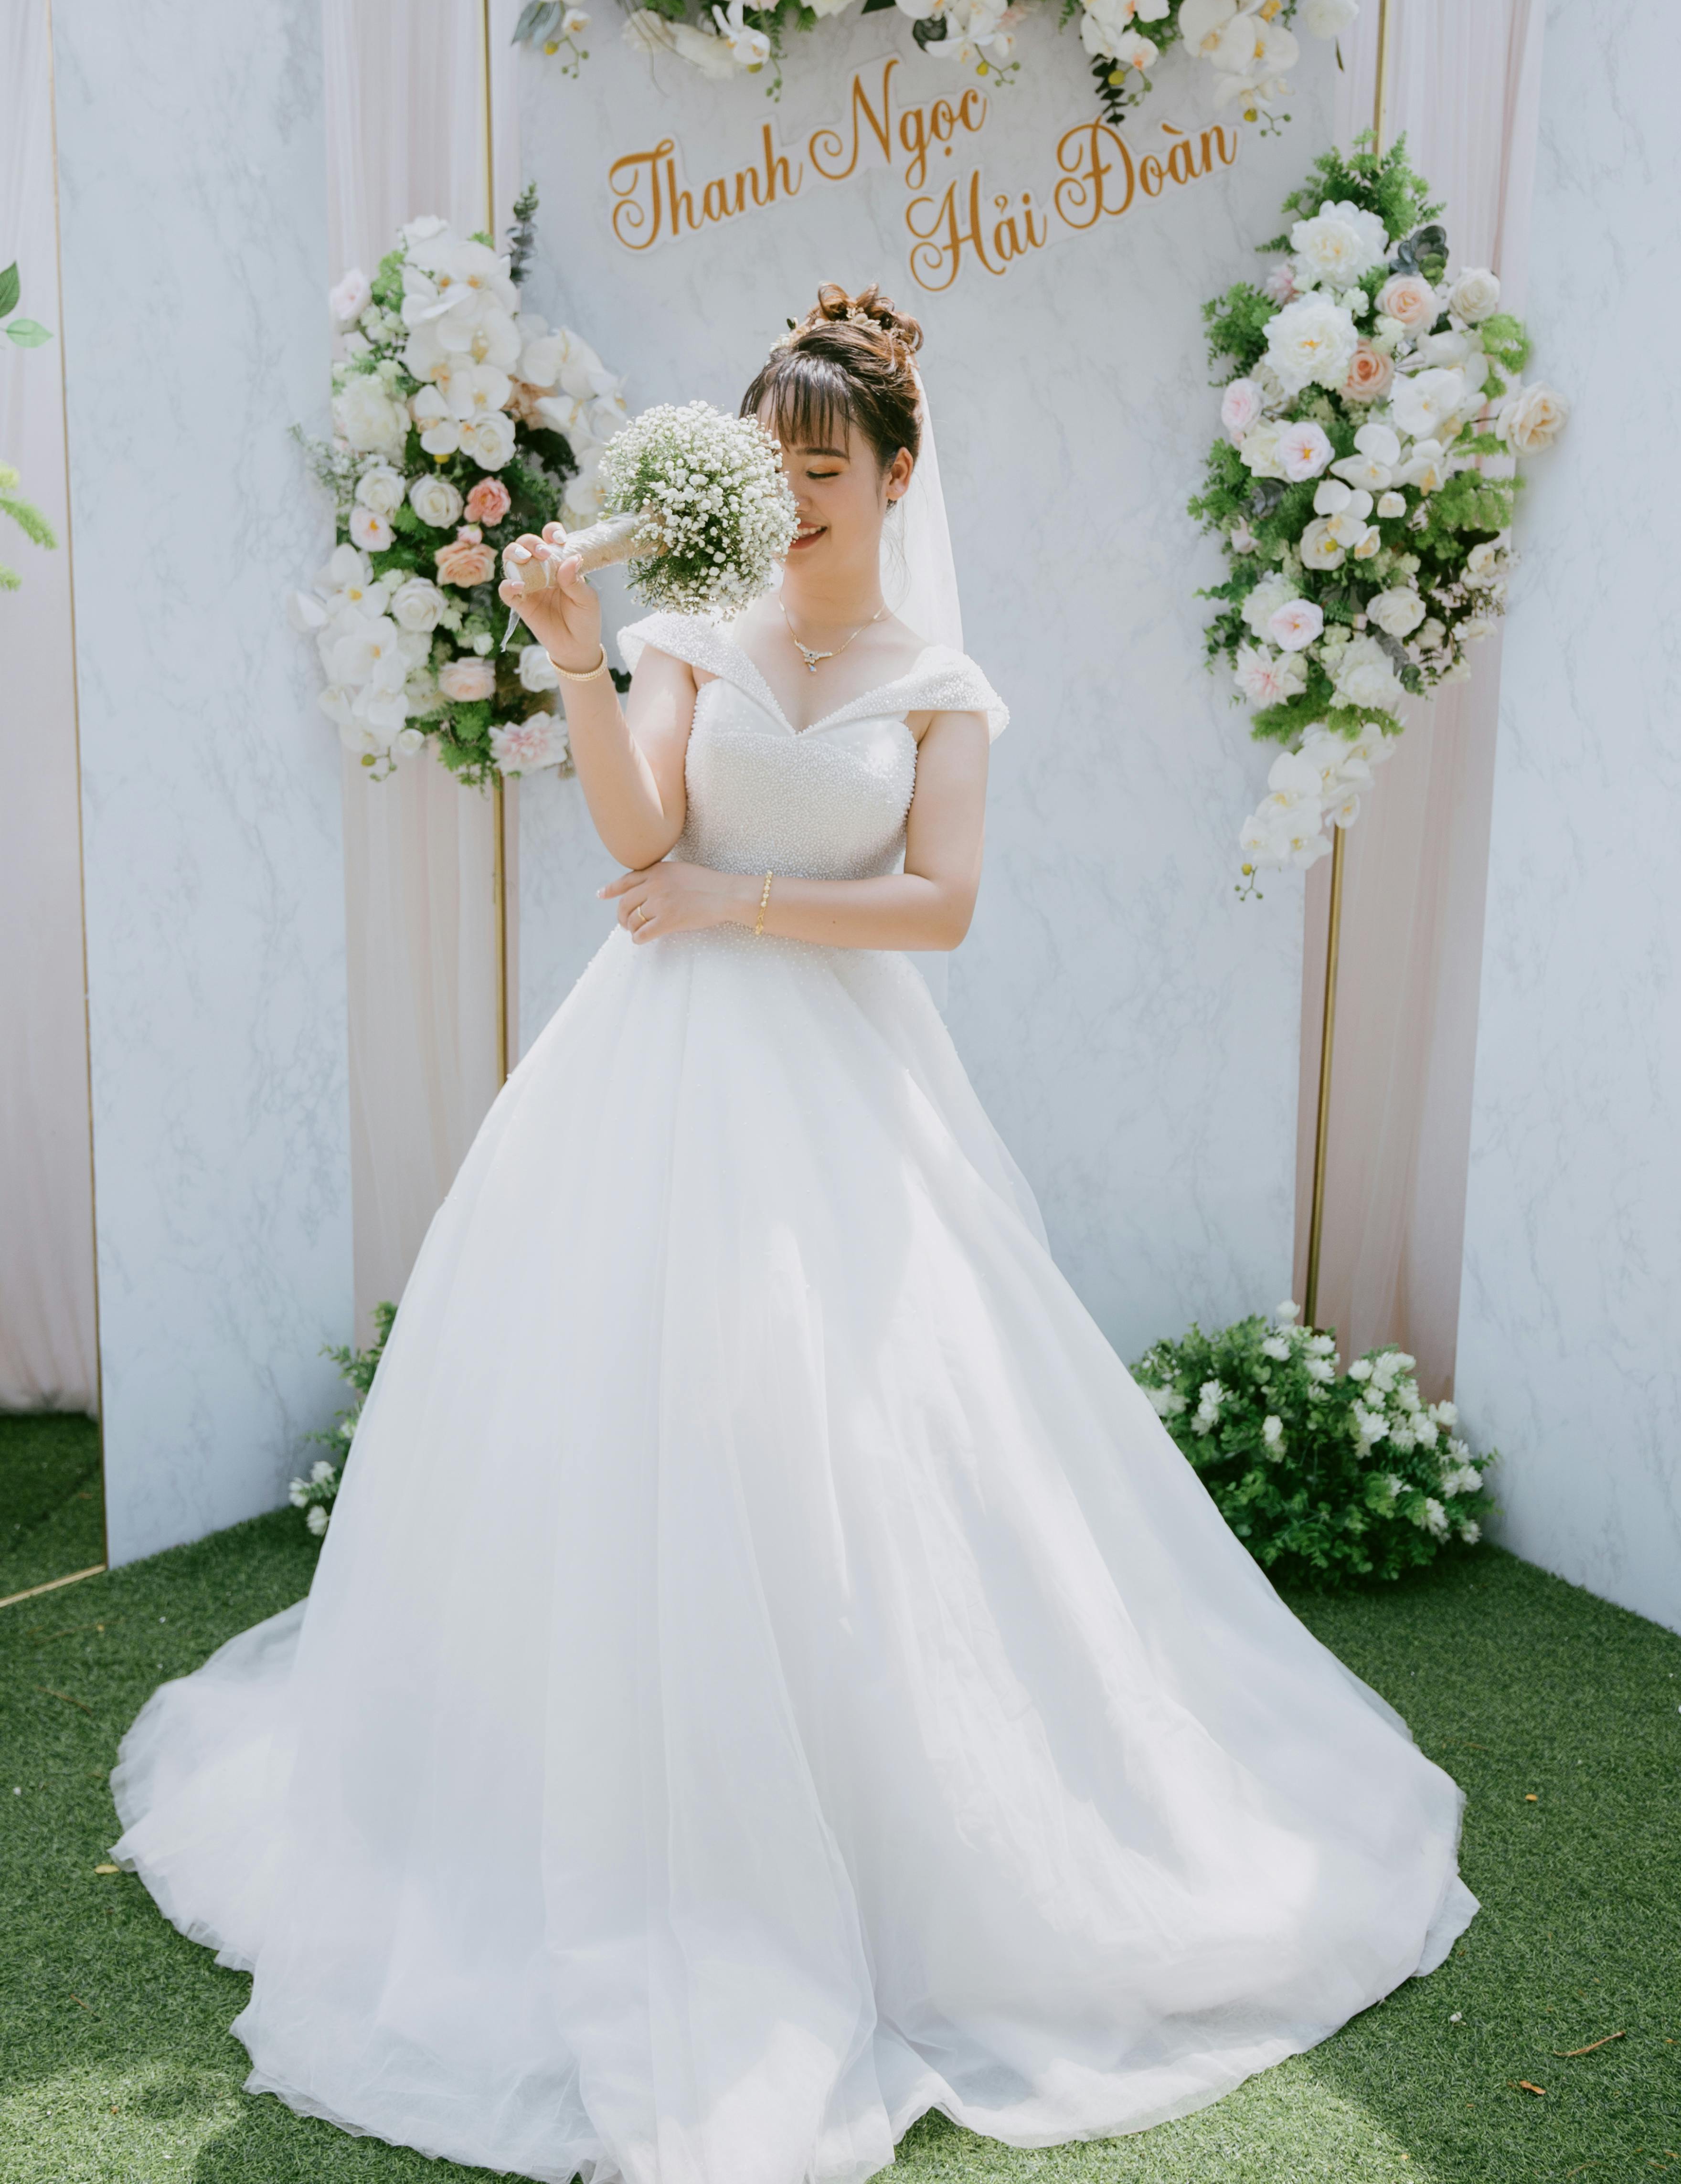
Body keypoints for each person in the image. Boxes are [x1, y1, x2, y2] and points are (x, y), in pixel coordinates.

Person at [111, 285, 1476, 2184]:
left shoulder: (937, 682)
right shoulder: (691, 631)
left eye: (824, 465)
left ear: (897, 474)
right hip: (650, 1078)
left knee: (867, 1441)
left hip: (844, 1083)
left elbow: (938, 908)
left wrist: (741, 908)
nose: (794, 493)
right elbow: (632, 834)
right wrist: (578, 659)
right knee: (631, 1432)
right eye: (769, 463)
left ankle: (908, 1851)